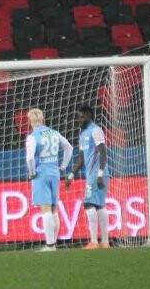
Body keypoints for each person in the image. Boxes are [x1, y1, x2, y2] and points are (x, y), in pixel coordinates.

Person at [25, 108, 73, 252]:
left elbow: (30, 157)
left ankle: (50, 245)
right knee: (54, 210)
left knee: (45, 209)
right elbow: (69, 147)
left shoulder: (32, 136)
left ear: (29, 121)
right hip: (54, 172)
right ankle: (54, 243)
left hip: (41, 174)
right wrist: (63, 166)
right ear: (43, 119)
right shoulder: (54, 132)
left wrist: (32, 173)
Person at [66, 105, 109, 249]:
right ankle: (105, 242)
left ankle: (94, 242)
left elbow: (103, 151)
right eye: (78, 116)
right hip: (92, 174)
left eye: (81, 116)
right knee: (99, 205)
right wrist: (72, 174)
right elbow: (81, 157)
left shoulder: (96, 130)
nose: (79, 119)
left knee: (89, 204)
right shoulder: (83, 133)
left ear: (89, 116)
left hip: (97, 174)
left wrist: (100, 174)